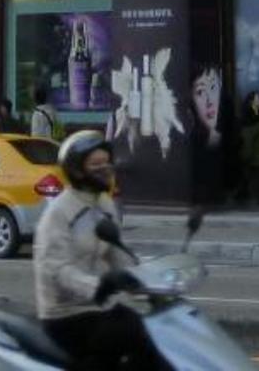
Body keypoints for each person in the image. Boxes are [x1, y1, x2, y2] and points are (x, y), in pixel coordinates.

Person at [33, 130, 158, 370]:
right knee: (129, 334)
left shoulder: (105, 204)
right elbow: (58, 270)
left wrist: (146, 282)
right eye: (95, 164)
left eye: (106, 162)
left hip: (98, 306)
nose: (105, 168)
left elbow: (117, 253)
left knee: (154, 332)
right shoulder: (59, 212)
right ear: (78, 170)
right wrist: (99, 286)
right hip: (64, 314)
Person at [238, 92, 259, 202]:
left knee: (252, 175)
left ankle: (246, 194)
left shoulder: (255, 114)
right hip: (256, 151)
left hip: (257, 150)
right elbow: (250, 135)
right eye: (257, 98)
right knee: (257, 175)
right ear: (251, 102)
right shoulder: (252, 116)